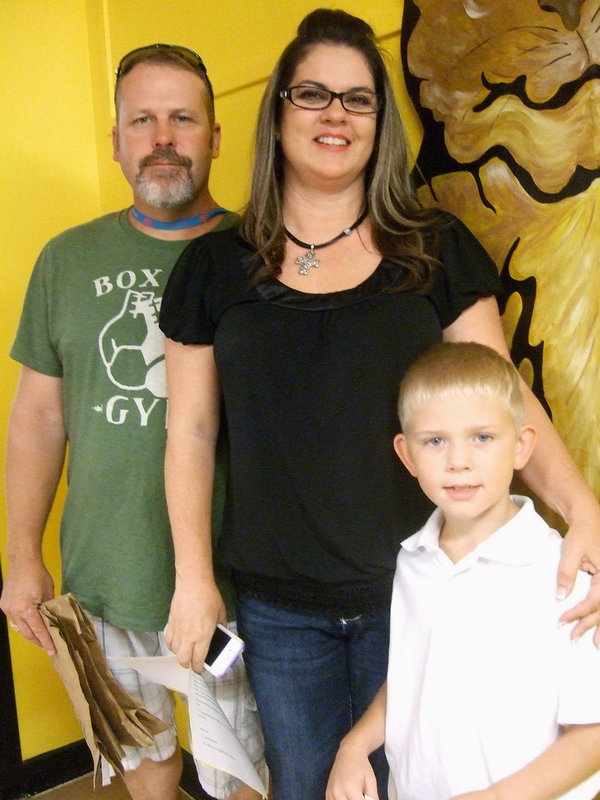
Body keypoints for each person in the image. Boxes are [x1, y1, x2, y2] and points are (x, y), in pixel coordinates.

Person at [157, 10, 600, 800]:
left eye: (358, 99)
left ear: (380, 121)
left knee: (425, 782)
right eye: (313, 94)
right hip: (281, 606)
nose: (335, 114)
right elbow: (190, 431)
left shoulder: (434, 249)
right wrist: (195, 579)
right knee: (308, 786)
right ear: (279, 112)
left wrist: (584, 510)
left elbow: (505, 395)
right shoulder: (213, 267)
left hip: (422, 585)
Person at [0, 44, 266, 800]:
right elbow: (37, 418)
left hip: (233, 585)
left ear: (215, 136)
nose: (162, 138)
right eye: (141, 120)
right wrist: (22, 557)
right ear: (116, 140)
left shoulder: (262, 254)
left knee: (243, 779)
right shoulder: (66, 260)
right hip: (104, 579)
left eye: (182, 118)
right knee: (146, 775)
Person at [326, 341, 600, 800]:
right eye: (435, 441)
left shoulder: (566, 575)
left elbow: (593, 733)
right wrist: (354, 745)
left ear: (522, 445)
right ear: (407, 454)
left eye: (483, 437)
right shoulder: (413, 559)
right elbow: (416, 675)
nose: (459, 461)